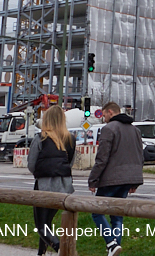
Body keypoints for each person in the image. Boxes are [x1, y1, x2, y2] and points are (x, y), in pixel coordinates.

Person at [87, 102, 143, 256]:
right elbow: (139, 155)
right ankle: (114, 247)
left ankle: (111, 243)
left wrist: (93, 180)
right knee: (117, 215)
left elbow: (102, 158)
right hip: (128, 179)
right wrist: (136, 181)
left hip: (111, 179)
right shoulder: (135, 130)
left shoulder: (109, 129)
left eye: (104, 114)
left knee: (96, 212)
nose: (103, 118)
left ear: (110, 112)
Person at [28, 106, 76, 255]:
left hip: (44, 185)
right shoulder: (70, 139)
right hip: (63, 186)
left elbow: (31, 163)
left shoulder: (40, 138)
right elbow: (71, 162)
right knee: (47, 223)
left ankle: (60, 249)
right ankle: (41, 253)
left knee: (41, 225)